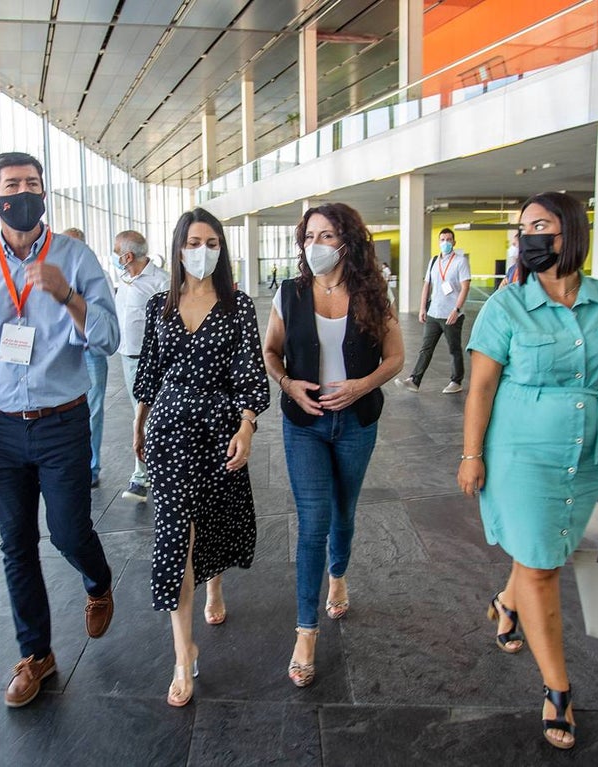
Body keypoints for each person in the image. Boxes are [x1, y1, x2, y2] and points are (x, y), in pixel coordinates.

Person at [457, 191, 598, 751]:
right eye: (522, 228)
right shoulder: (506, 306)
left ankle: (507, 604)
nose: (529, 236)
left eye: (541, 225)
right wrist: (471, 454)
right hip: (521, 454)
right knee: (542, 566)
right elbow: (482, 387)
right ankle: (558, 688)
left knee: (541, 551)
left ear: (572, 231)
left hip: (584, 455)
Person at [0, 152, 118, 708]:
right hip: (0, 428)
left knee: (68, 532)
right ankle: (35, 655)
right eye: (12, 186)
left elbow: (108, 337)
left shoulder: (75, 257)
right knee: (16, 543)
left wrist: (66, 294)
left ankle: (98, 583)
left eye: (33, 184)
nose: (24, 193)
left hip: (62, 420)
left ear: (45, 195)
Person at [262, 202, 404, 688]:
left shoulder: (371, 293)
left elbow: (396, 357)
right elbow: (271, 351)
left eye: (326, 236)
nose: (315, 245)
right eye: (309, 236)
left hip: (357, 422)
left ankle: (338, 574)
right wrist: (287, 384)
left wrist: (362, 385)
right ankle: (305, 632)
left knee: (345, 510)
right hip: (304, 423)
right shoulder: (289, 293)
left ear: (347, 241)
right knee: (313, 520)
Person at [132, 208, 269, 707]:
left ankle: (214, 586)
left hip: (219, 427)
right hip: (169, 430)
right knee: (174, 537)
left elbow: (252, 372)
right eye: (194, 241)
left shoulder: (238, 306)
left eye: (212, 241)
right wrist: (139, 419)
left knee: (211, 519)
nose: (203, 250)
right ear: (178, 246)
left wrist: (247, 426)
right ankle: (181, 651)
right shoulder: (159, 306)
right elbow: (149, 369)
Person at [111, 229, 168, 502]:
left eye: (116, 253)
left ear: (128, 255)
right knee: (140, 417)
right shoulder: (125, 280)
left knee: (147, 417)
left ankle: (143, 476)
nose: (115, 258)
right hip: (127, 357)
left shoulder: (160, 282)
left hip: (151, 362)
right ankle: (147, 473)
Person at [61, 226, 111, 488]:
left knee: (93, 410)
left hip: (90, 352)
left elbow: (106, 325)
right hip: (63, 354)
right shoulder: (51, 276)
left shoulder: (96, 277)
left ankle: (91, 467)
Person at [399, 228, 471, 394]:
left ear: (454, 242)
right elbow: (427, 285)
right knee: (426, 348)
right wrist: (423, 307)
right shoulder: (433, 261)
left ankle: (456, 381)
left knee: (454, 348)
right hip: (434, 312)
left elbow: (465, 287)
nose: (445, 242)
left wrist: (457, 309)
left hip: (451, 314)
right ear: (439, 242)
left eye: (449, 239)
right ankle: (414, 380)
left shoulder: (460, 262)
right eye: (443, 239)